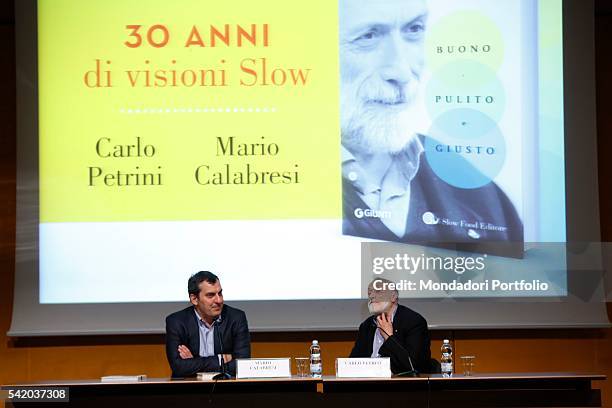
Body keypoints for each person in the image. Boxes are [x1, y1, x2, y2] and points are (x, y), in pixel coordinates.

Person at [339, 0, 522, 255]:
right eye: (367, 36)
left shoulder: (481, 195)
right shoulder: (280, 178)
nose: (402, 71)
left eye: (414, 29)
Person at [165, 271, 251, 377]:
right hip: (189, 388)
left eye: (220, 293)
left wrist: (194, 362)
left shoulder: (236, 318)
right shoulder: (177, 322)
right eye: (211, 295)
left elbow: (242, 365)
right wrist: (220, 359)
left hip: (226, 388)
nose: (219, 300)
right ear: (194, 299)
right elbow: (178, 367)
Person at [350, 278, 432, 374]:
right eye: (369, 293)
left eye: (378, 291)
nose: (372, 296)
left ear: (393, 297)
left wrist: (389, 337)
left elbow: (413, 366)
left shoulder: (413, 322)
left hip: (401, 384)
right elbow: (353, 362)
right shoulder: (366, 325)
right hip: (368, 382)